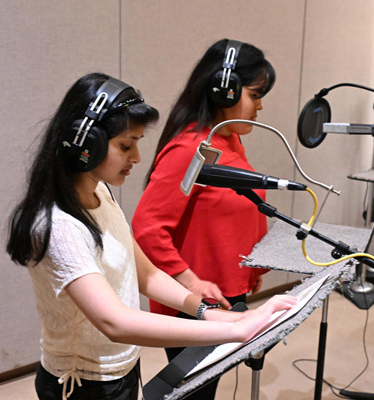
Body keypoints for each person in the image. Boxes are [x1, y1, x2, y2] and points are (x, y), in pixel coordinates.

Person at [6, 72, 296, 400]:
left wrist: (210, 312)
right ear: (86, 144)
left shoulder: (101, 193)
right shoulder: (57, 226)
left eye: (137, 144)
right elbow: (115, 322)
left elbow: (147, 274)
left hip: (123, 368)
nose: (137, 158)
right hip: (83, 385)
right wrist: (234, 329)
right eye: (125, 145)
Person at [132, 39, 276, 399]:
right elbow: (147, 229)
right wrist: (190, 281)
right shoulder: (191, 150)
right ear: (224, 92)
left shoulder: (227, 140)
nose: (260, 105)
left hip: (226, 292)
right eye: (256, 94)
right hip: (193, 302)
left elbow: (230, 215)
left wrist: (249, 271)